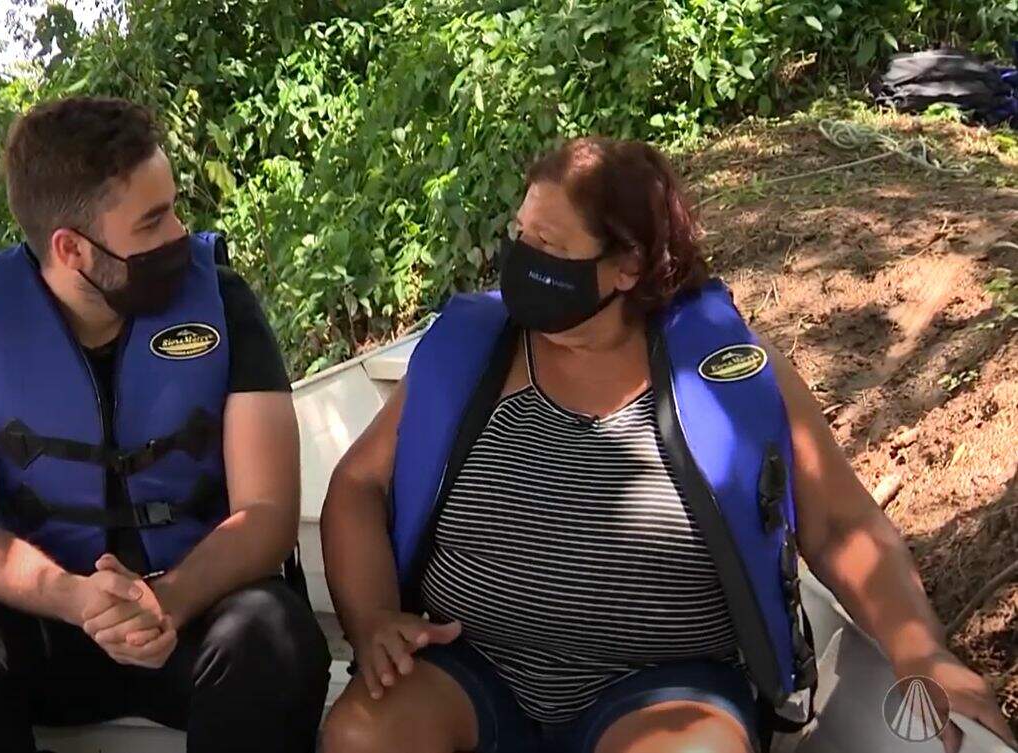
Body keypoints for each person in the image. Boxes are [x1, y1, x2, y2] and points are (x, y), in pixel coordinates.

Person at [318, 137, 1015, 753]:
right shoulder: (472, 358)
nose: (522, 260)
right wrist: (374, 618)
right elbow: (357, 485)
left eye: (549, 248)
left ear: (627, 265)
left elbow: (839, 524)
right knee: (362, 731)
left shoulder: (727, 376)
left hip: (661, 690)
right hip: (472, 668)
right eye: (520, 235)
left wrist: (922, 651)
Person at [0, 96, 330, 753]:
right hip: (48, 625)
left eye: (173, 208)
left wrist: (166, 601)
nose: (179, 233)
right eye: (153, 220)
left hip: (197, 617)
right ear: (72, 248)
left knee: (278, 636)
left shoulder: (224, 302)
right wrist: (74, 598)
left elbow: (267, 512)